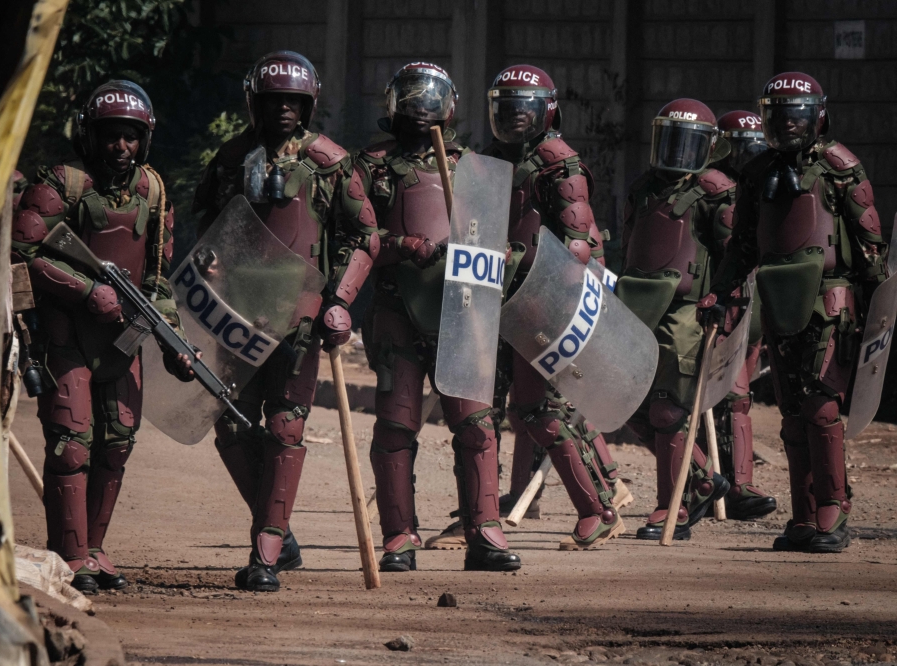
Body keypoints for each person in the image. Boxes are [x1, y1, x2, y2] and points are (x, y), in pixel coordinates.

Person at [192, 51, 379, 591]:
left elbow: (364, 236)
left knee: (284, 430)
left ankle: (265, 555)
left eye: (294, 102)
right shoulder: (230, 160)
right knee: (230, 426)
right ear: (255, 102)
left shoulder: (329, 163)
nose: (283, 111)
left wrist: (340, 299)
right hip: (234, 319)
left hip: (299, 321)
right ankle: (277, 528)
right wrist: (207, 262)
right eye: (273, 100)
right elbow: (205, 224)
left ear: (309, 103)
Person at [426, 64, 628, 551]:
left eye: (525, 108)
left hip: (543, 301)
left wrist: (509, 257)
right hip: (491, 298)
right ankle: (481, 519)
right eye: (507, 108)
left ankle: (599, 509)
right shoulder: (487, 161)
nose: (515, 118)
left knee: (539, 411)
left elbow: (576, 247)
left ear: (547, 111)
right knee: (478, 412)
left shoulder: (561, 165)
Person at [12, 81, 189, 593]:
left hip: (124, 337)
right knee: (72, 445)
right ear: (90, 135)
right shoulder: (61, 183)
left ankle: (94, 549)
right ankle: (69, 557)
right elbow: (23, 251)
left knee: (117, 442)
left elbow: (157, 277)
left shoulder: (152, 191)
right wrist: (88, 289)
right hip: (65, 334)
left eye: (131, 138)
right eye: (111, 136)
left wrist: (173, 339)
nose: (121, 147)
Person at [709, 73, 887, 552]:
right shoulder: (756, 171)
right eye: (778, 115)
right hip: (778, 300)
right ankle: (804, 517)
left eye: (796, 114)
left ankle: (833, 510)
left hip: (832, 300)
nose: (787, 124)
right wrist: (721, 291)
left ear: (817, 116)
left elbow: (872, 248)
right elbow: (743, 243)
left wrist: (876, 316)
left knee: (821, 405)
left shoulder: (839, 168)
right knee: (791, 412)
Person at [356, 62, 521, 572]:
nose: (420, 105)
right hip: (395, 312)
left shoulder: (475, 168)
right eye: (410, 96)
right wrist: (402, 246)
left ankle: (485, 532)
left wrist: (485, 255)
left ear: (450, 107)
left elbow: (498, 247)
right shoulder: (370, 167)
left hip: (461, 314)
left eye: (430, 97)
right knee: (394, 429)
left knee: (476, 424)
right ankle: (399, 538)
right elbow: (351, 239)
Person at [617, 98, 734, 540]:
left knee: (668, 409)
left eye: (689, 143)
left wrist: (725, 303)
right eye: (671, 140)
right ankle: (703, 478)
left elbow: (735, 255)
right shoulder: (644, 187)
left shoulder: (715, 193)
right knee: (624, 402)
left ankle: (674, 508)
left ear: (708, 147)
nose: (678, 152)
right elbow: (628, 244)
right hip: (637, 304)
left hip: (689, 310)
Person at [706, 110, 778, 521]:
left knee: (740, 399)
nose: (747, 154)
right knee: (727, 398)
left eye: (753, 145)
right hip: (718, 302)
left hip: (752, 304)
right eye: (739, 145)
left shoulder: (767, 185)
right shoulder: (709, 186)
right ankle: (719, 485)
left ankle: (738, 484)